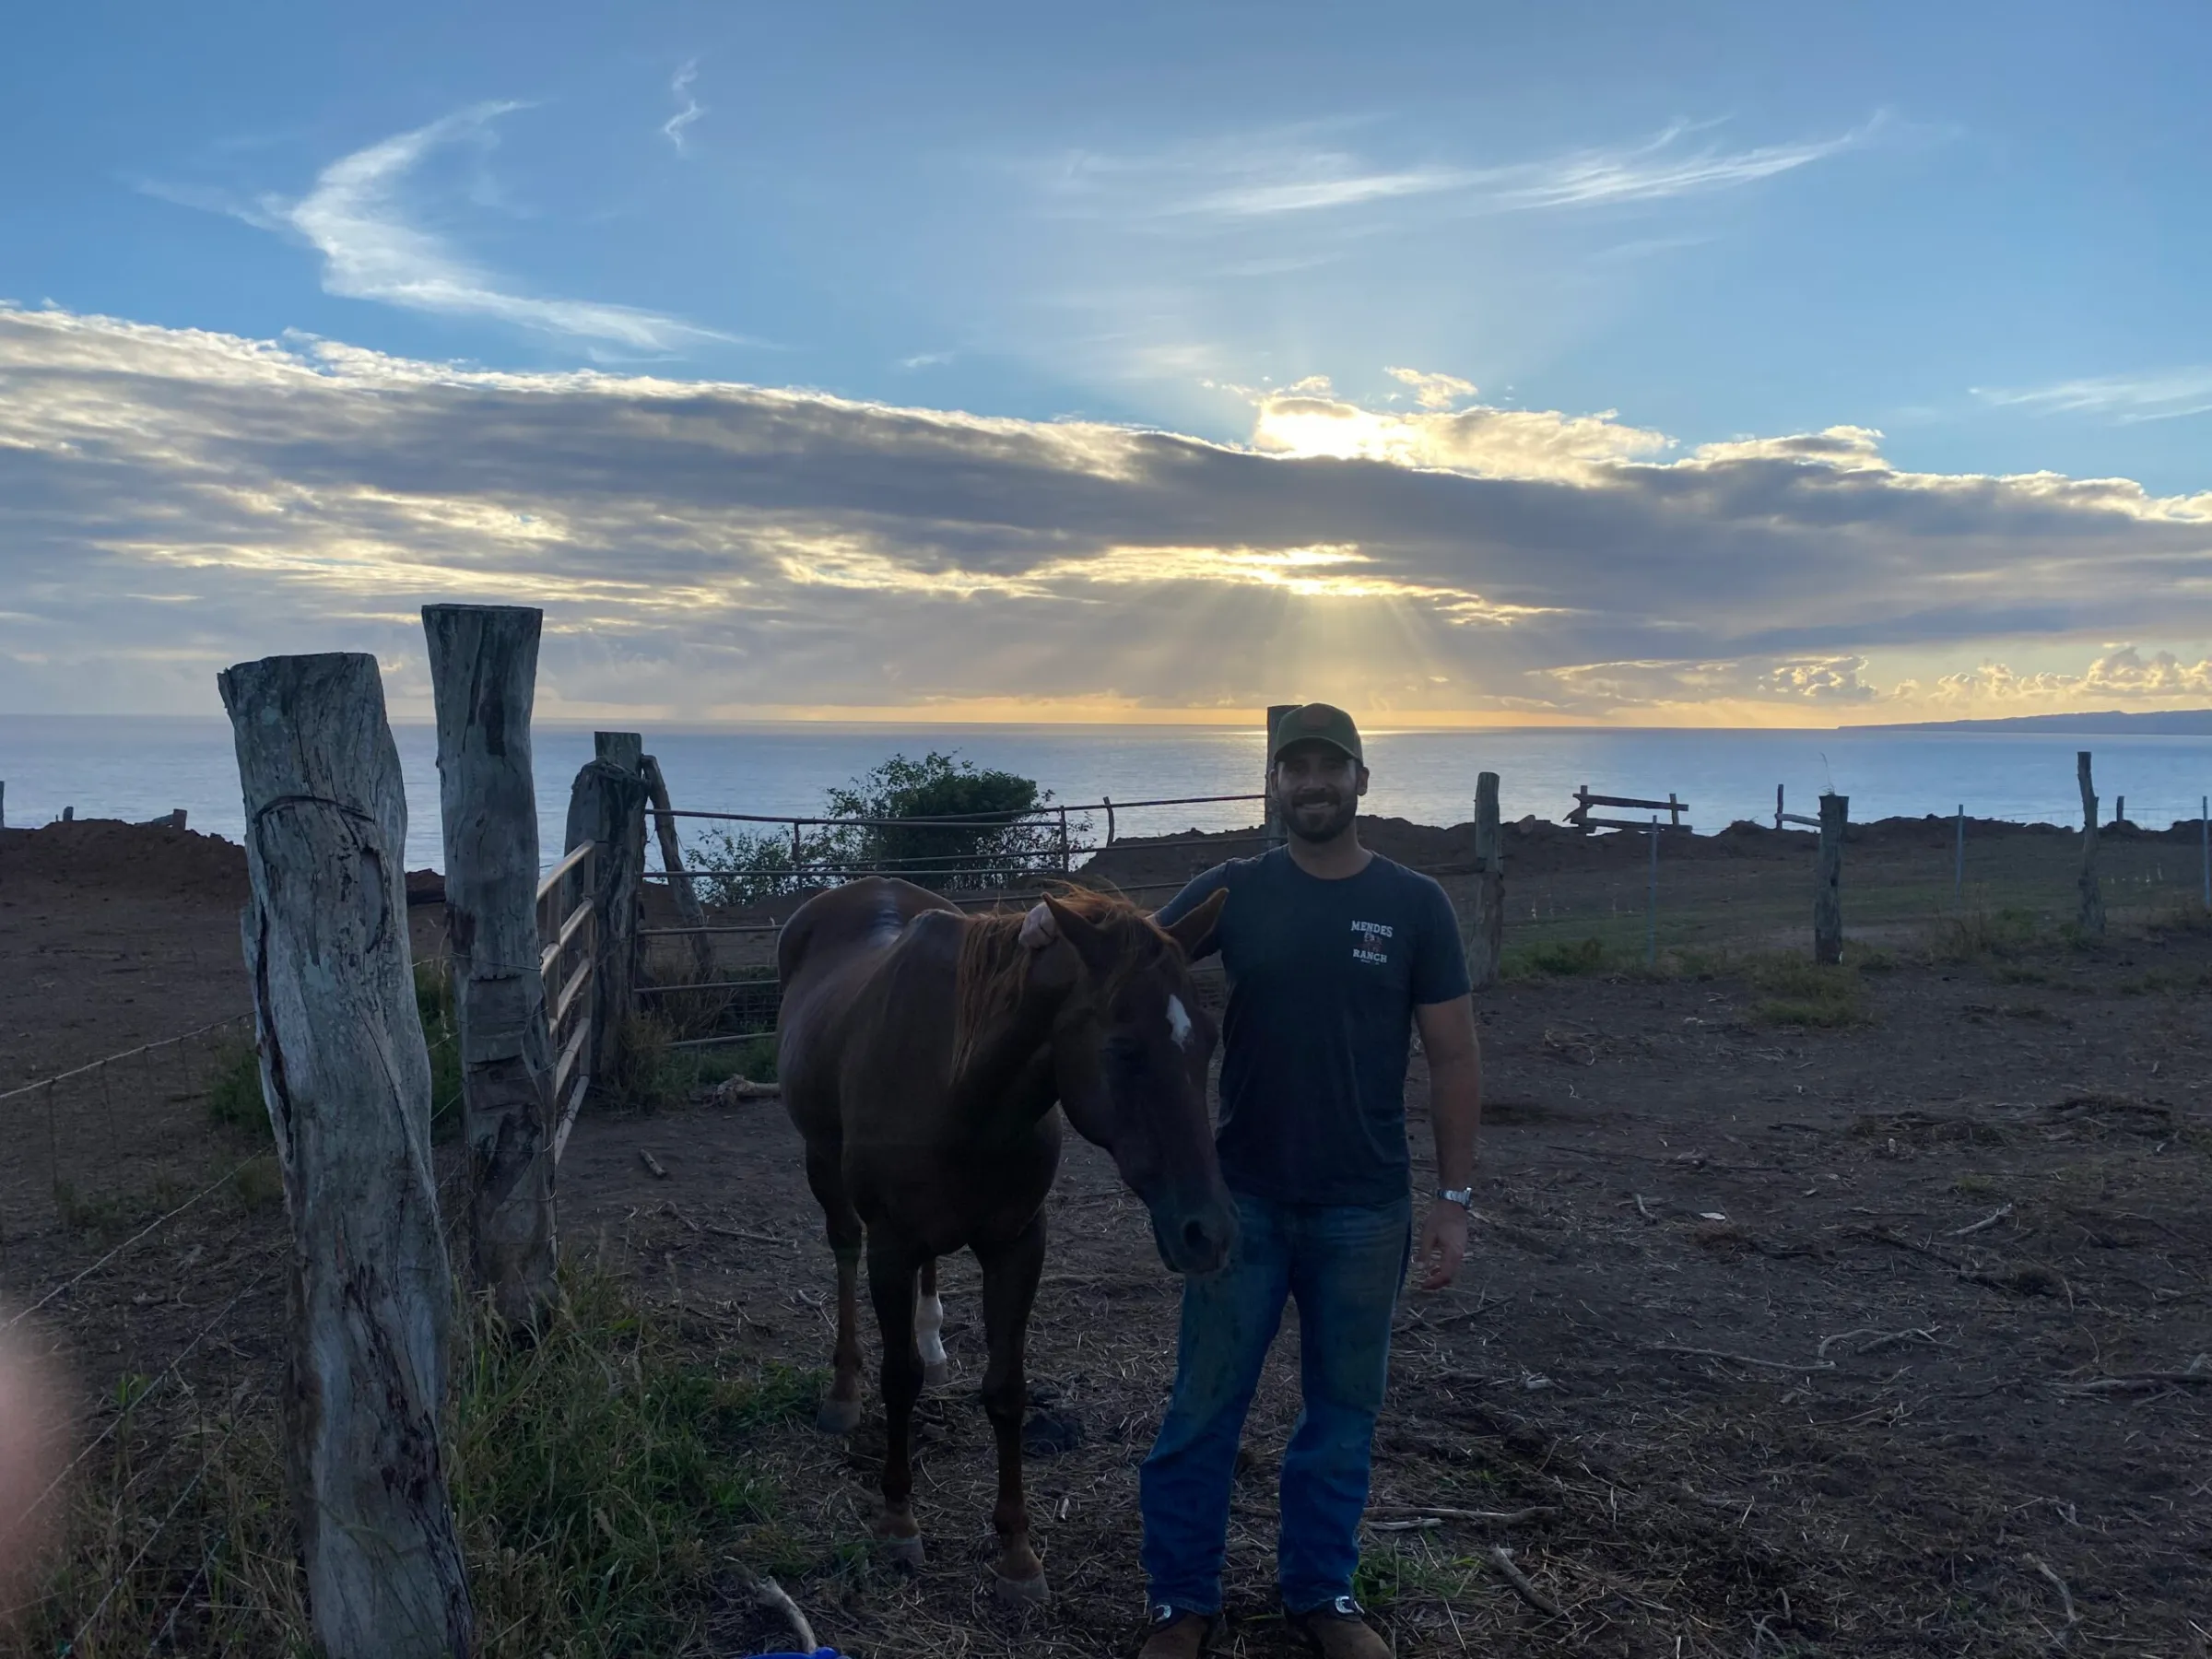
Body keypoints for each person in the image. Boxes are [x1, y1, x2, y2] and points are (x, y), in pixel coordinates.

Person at [1023, 703, 1482, 1659]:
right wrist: (1052, 920)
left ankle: (1324, 1597)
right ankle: (1179, 1603)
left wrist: (1453, 1201)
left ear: (1362, 780)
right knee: (1204, 1407)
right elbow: (1134, 948)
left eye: (1331, 766)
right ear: (1274, 785)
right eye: (1295, 768)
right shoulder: (1238, 891)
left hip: (1368, 1204)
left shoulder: (1414, 905)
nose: (1313, 783)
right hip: (1248, 1201)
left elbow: (1452, 1058)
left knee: (1343, 1414)